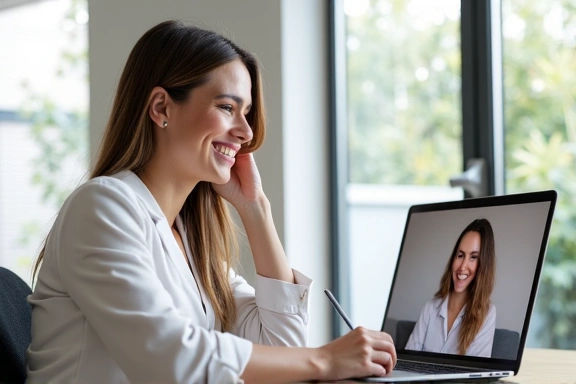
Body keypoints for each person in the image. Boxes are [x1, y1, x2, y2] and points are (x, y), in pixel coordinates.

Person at [26, 20, 396, 383]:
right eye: (227, 107)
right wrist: (325, 360)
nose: (246, 132)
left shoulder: (190, 242)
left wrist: (255, 209)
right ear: (161, 108)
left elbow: (281, 344)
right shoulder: (101, 208)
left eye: (246, 113)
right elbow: (171, 358)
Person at [404, 218, 496, 357]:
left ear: (484, 265)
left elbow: (474, 374)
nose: (462, 266)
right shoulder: (430, 308)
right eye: (460, 255)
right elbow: (409, 358)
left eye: (473, 257)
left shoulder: (487, 314)